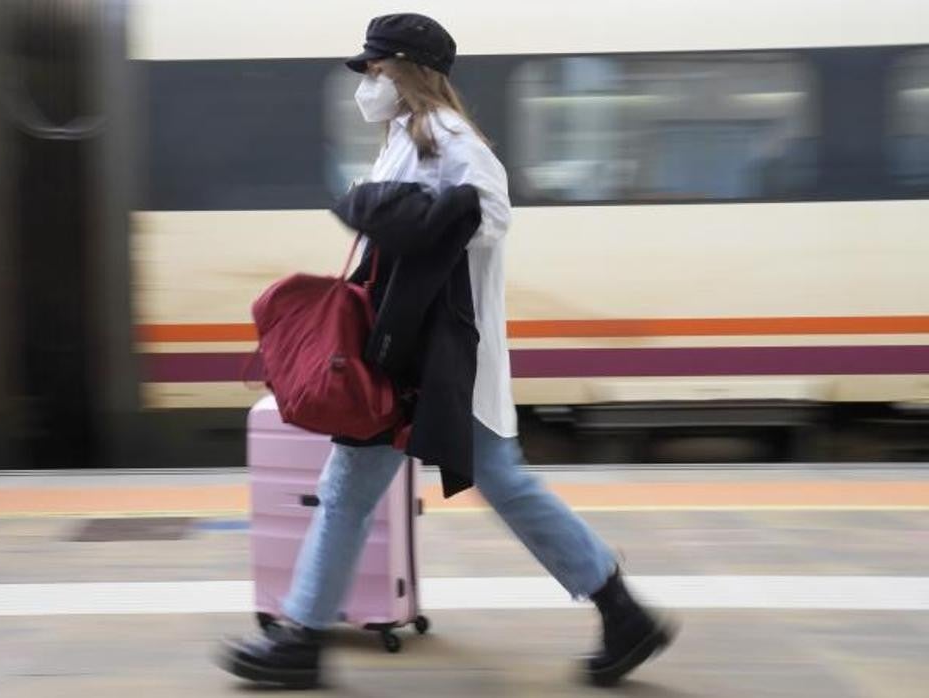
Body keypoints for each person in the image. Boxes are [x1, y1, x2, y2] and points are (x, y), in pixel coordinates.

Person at [219, 13, 676, 690]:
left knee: (474, 485)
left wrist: (384, 206)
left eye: (374, 70)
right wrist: (384, 205)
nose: (366, 83)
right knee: (369, 489)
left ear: (403, 69)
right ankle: (621, 613)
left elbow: (486, 215)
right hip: (407, 356)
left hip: (441, 361)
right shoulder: (407, 136)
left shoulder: (454, 141)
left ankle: (302, 640)